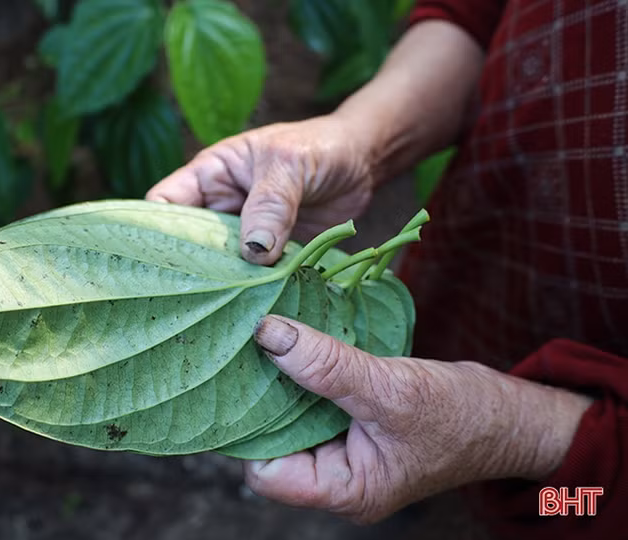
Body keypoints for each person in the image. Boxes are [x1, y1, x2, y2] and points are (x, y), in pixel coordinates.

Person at [146, 1, 628, 538]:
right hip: (471, 286)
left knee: (544, 515)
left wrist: (518, 436)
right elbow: (476, 15)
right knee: (402, 468)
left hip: (584, 491)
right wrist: (360, 138)